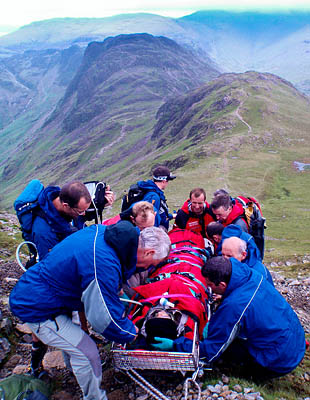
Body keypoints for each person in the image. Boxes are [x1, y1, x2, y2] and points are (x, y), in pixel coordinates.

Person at [9, 222, 171, 400]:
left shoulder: (107, 233)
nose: (148, 268)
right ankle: (95, 397)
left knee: (75, 342)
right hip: (37, 306)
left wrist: (116, 287)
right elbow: (103, 319)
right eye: (152, 263)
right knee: (88, 353)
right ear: (149, 252)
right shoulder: (103, 264)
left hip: (47, 292)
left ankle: (76, 374)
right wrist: (132, 334)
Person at [172, 256, 306, 382]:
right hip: (295, 338)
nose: (209, 288)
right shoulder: (250, 275)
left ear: (222, 285)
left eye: (210, 285)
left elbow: (212, 351)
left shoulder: (235, 306)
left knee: (228, 356)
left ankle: (255, 373)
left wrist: (177, 345)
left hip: (280, 359)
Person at [31, 181, 92, 260]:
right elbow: (50, 265)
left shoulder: (68, 202)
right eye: (80, 212)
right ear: (65, 206)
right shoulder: (44, 232)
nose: (84, 214)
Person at [135, 165, 176, 230]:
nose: (168, 183)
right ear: (164, 181)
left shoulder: (154, 192)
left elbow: (160, 214)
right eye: (168, 181)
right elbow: (148, 219)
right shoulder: (154, 197)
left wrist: (171, 216)